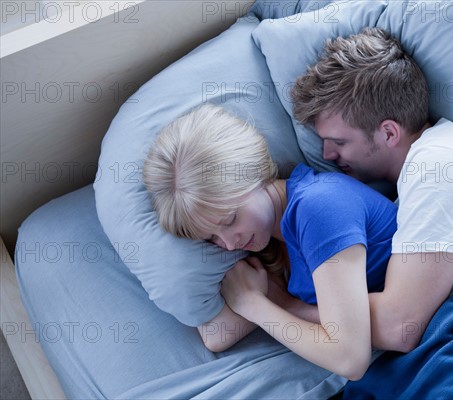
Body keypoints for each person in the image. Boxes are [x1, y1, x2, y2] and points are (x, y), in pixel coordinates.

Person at [290, 27, 453, 352]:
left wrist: (285, 308)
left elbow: (400, 328)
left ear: (388, 132)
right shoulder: (444, 151)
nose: (327, 155)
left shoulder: (435, 168)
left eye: (339, 142)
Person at [143, 103, 398, 380]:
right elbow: (217, 336)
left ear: (254, 175)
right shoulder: (273, 244)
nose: (229, 243)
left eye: (230, 219)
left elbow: (350, 359)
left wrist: (257, 305)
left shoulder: (318, 206)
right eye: (211, 238)